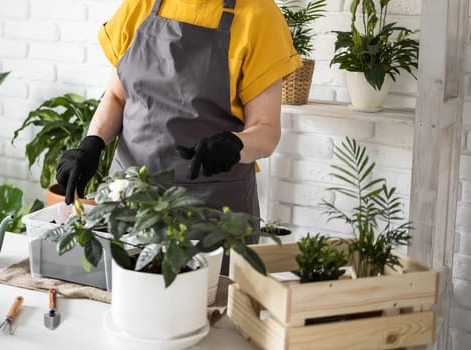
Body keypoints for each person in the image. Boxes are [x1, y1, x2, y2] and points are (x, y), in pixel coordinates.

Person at [56, 0, 301, 242]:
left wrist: (235, 144)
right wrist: (92, 142)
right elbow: (117, 97)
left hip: (212, 210)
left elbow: (267, 131)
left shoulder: (258, 14)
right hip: (131, 199)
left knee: (213, 283)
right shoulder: (140, 4)